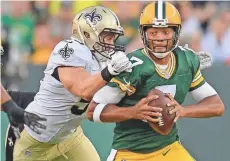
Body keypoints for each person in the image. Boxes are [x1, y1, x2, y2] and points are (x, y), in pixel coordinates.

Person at [87, 1, 225, 161]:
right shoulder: (132, 66)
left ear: (177, 32)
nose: (160, 38)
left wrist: (183, 110)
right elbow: (92, 111)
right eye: (153, 33)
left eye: (165, 32)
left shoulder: (186, 60)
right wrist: (133, 112)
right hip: (131, 153)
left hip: (168, 148)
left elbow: (216, 106)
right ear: (143, 33)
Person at [13, 6, 133, 161]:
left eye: (113, 38)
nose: (111, 43)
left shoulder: (102, 58)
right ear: (88, 34)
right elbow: (82, 89)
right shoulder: (70, 49)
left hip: (69, 137)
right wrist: (110, 71)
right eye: (107, 37)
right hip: (35, 142)